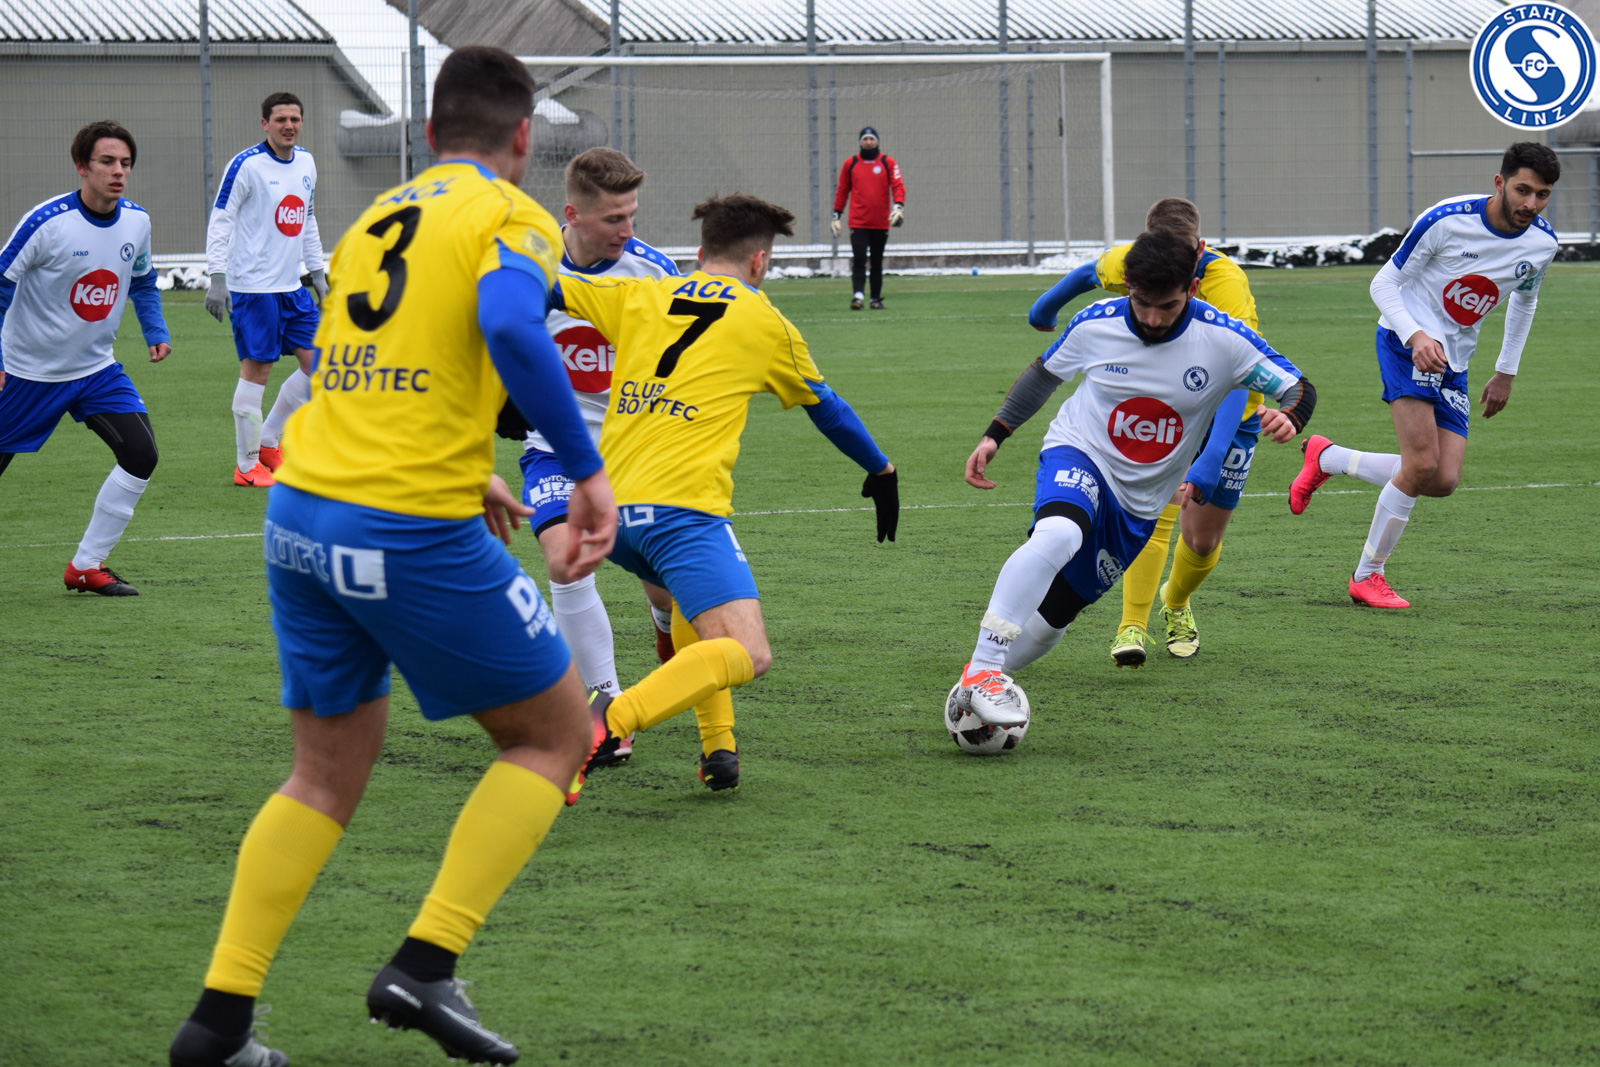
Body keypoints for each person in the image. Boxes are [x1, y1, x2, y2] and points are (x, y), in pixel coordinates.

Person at [168, 47, 617, 1067]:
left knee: (321, 777)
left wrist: (471, 466)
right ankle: (426, 962)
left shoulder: (379, 216)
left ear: (426, 135)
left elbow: (352, 363)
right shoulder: (511, 215)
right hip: (399, 523)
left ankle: (218, 1022)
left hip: (299, 514)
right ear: (523, 138)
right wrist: (585, 468)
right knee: (554, 735)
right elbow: (510, 324)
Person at [557, 192, 898, 797]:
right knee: (747, 650)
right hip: (679, 513)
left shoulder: (639, 294)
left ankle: (719, 746)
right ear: (760, 261)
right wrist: (881, 469)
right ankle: (608, 720)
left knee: (692, 607)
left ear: (699, 252)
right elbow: (829, 410)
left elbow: (540, 289)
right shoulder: (766, 322)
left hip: (608, 515)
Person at [954, 230, 1316, 724]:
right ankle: (984, 669)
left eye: (1167, 306)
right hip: (1080, 451)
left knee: (1056, 616)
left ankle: (975, 683)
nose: (1152, 319)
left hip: (1140, 503)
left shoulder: (1225, 340)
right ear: (1127, 286)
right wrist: (995, 434)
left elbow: (1298, 387)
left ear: (1191, 289)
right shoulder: (1096, 324)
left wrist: (1291, 416)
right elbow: (1044, 373)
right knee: (1059, 533)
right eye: (1142, 303)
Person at [1288, 142, 1561, 609]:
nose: (1530, 204)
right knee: (1419, 465)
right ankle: (1367, 576)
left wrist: (1505, 371)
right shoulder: (1446, 220)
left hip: (1455, 358)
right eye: (1522, 190)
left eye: (1542, 195)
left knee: (1442, 479)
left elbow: (1525, 300)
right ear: (1499, 183)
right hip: (1405, 343)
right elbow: (1384, 283)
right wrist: (1415, 336)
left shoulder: (1543, 244)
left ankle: (1328, 457)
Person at [1028, 198, 1265, 666]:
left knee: (1202, 541)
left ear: (1199, 252)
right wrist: (1043, 310)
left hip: (1230, 413)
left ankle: (1175, 601)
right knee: (1152, 512)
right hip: (1163, 407)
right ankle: (1131, 626)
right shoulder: (1138, 260)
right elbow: (1088, 274)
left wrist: (1211, 456)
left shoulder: (1227, 283)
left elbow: (1238, 378)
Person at [510, 147, 681, 769]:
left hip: (636, 450)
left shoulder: (654, 272)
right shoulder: (525, 266)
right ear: (573, 214)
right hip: (554, 450)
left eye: (632, 215)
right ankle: (604, 711)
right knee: (565, 562)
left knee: (664, 590)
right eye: (613, 218)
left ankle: (663, 622)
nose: (627, 230)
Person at [0, 120, 170, 596]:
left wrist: (155, 329)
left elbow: (143, 280)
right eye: (107, 162)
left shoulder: (136, 221)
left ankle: (86, 565)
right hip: (28, 373)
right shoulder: (46, 223)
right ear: (81, 166)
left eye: (126, 164)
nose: (119, 172)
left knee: (141, 454)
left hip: (96, 370)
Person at [205, 91, 327, 488]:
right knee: (257, 372)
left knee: (323, 367)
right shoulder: (246, 165)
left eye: (295, 119)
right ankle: (246, 465)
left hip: (292, 288)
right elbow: (221, 219)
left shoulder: (306, 162)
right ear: (265, 124)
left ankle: (270, 441)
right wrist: (217, 277)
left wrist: (318, 273)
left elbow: (307, 218)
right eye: (280, 120)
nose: (289, 126)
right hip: (253, 289)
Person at [831, 127, 904, 310]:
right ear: (860, 142)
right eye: (865, 139)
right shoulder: (851, 163)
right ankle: (858, 297)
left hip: (881, 222)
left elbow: (898, 185)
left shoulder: (887, 162)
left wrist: (898, 206)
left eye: (872, 139)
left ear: (877, 141)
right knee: (859, 259)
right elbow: (842, 190)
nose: (869, 142)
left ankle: (875, 299)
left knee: (877, 261)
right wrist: (836, 214)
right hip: (858, 222)